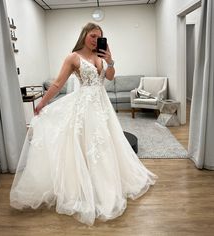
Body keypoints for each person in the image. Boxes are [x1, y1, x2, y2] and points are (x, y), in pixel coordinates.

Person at [10, 22, 157, 226]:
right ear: (84, 35)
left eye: (99, 36)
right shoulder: (73, 57)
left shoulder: (99, 56)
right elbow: (57, 83)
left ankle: (105, 184)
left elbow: (109, 78)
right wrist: (42, 103)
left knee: (105, 144)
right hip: (85, 106)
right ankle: (84, 186)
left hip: (101, 104)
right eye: (93, 36)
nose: (96, 40)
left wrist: (110, 60)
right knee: (85, 144)